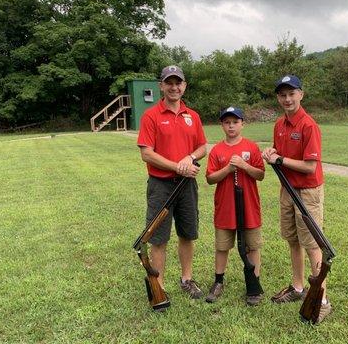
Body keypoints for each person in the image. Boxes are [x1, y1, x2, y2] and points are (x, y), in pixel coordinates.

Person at [261, 75, 331, 324]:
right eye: (282, 95)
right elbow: (279, 153)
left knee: (312, 243)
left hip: (307, 191)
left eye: (292, 93)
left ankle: (321, 299)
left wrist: (279, 160)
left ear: (301, 94)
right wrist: (272, 152)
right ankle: (298, 287)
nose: (287, 99)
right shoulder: (279, 124)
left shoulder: (309, 125)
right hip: (287, 189)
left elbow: (310, 166)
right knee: (293, 239)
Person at [137, 65, 207, 301]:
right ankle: (160, 286)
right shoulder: (151, 115)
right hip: (161, 186)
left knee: (187, 233)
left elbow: (202, 147)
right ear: (162, 86)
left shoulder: (193, 116)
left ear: (184, 86)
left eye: (178, 83)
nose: (174, 87)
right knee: (158, 238)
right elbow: (146, 153)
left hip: (187, 186)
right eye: (169, 82)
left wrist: (190, 157)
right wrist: (176, 166)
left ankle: (187, 279)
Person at [205, 106, 265, 306]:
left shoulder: (252, 147)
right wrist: (229, 168)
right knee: (222, 247)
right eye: (227, 122)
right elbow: (210, 178)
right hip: (225, 207)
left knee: (253, 246)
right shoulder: (217, 150)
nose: (231, 126)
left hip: (249, 206)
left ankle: (253, 283)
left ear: (242, 124)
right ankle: (218, 281)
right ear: (222, 125)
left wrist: (244, 166)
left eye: (235, 122)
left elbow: (261, 175)